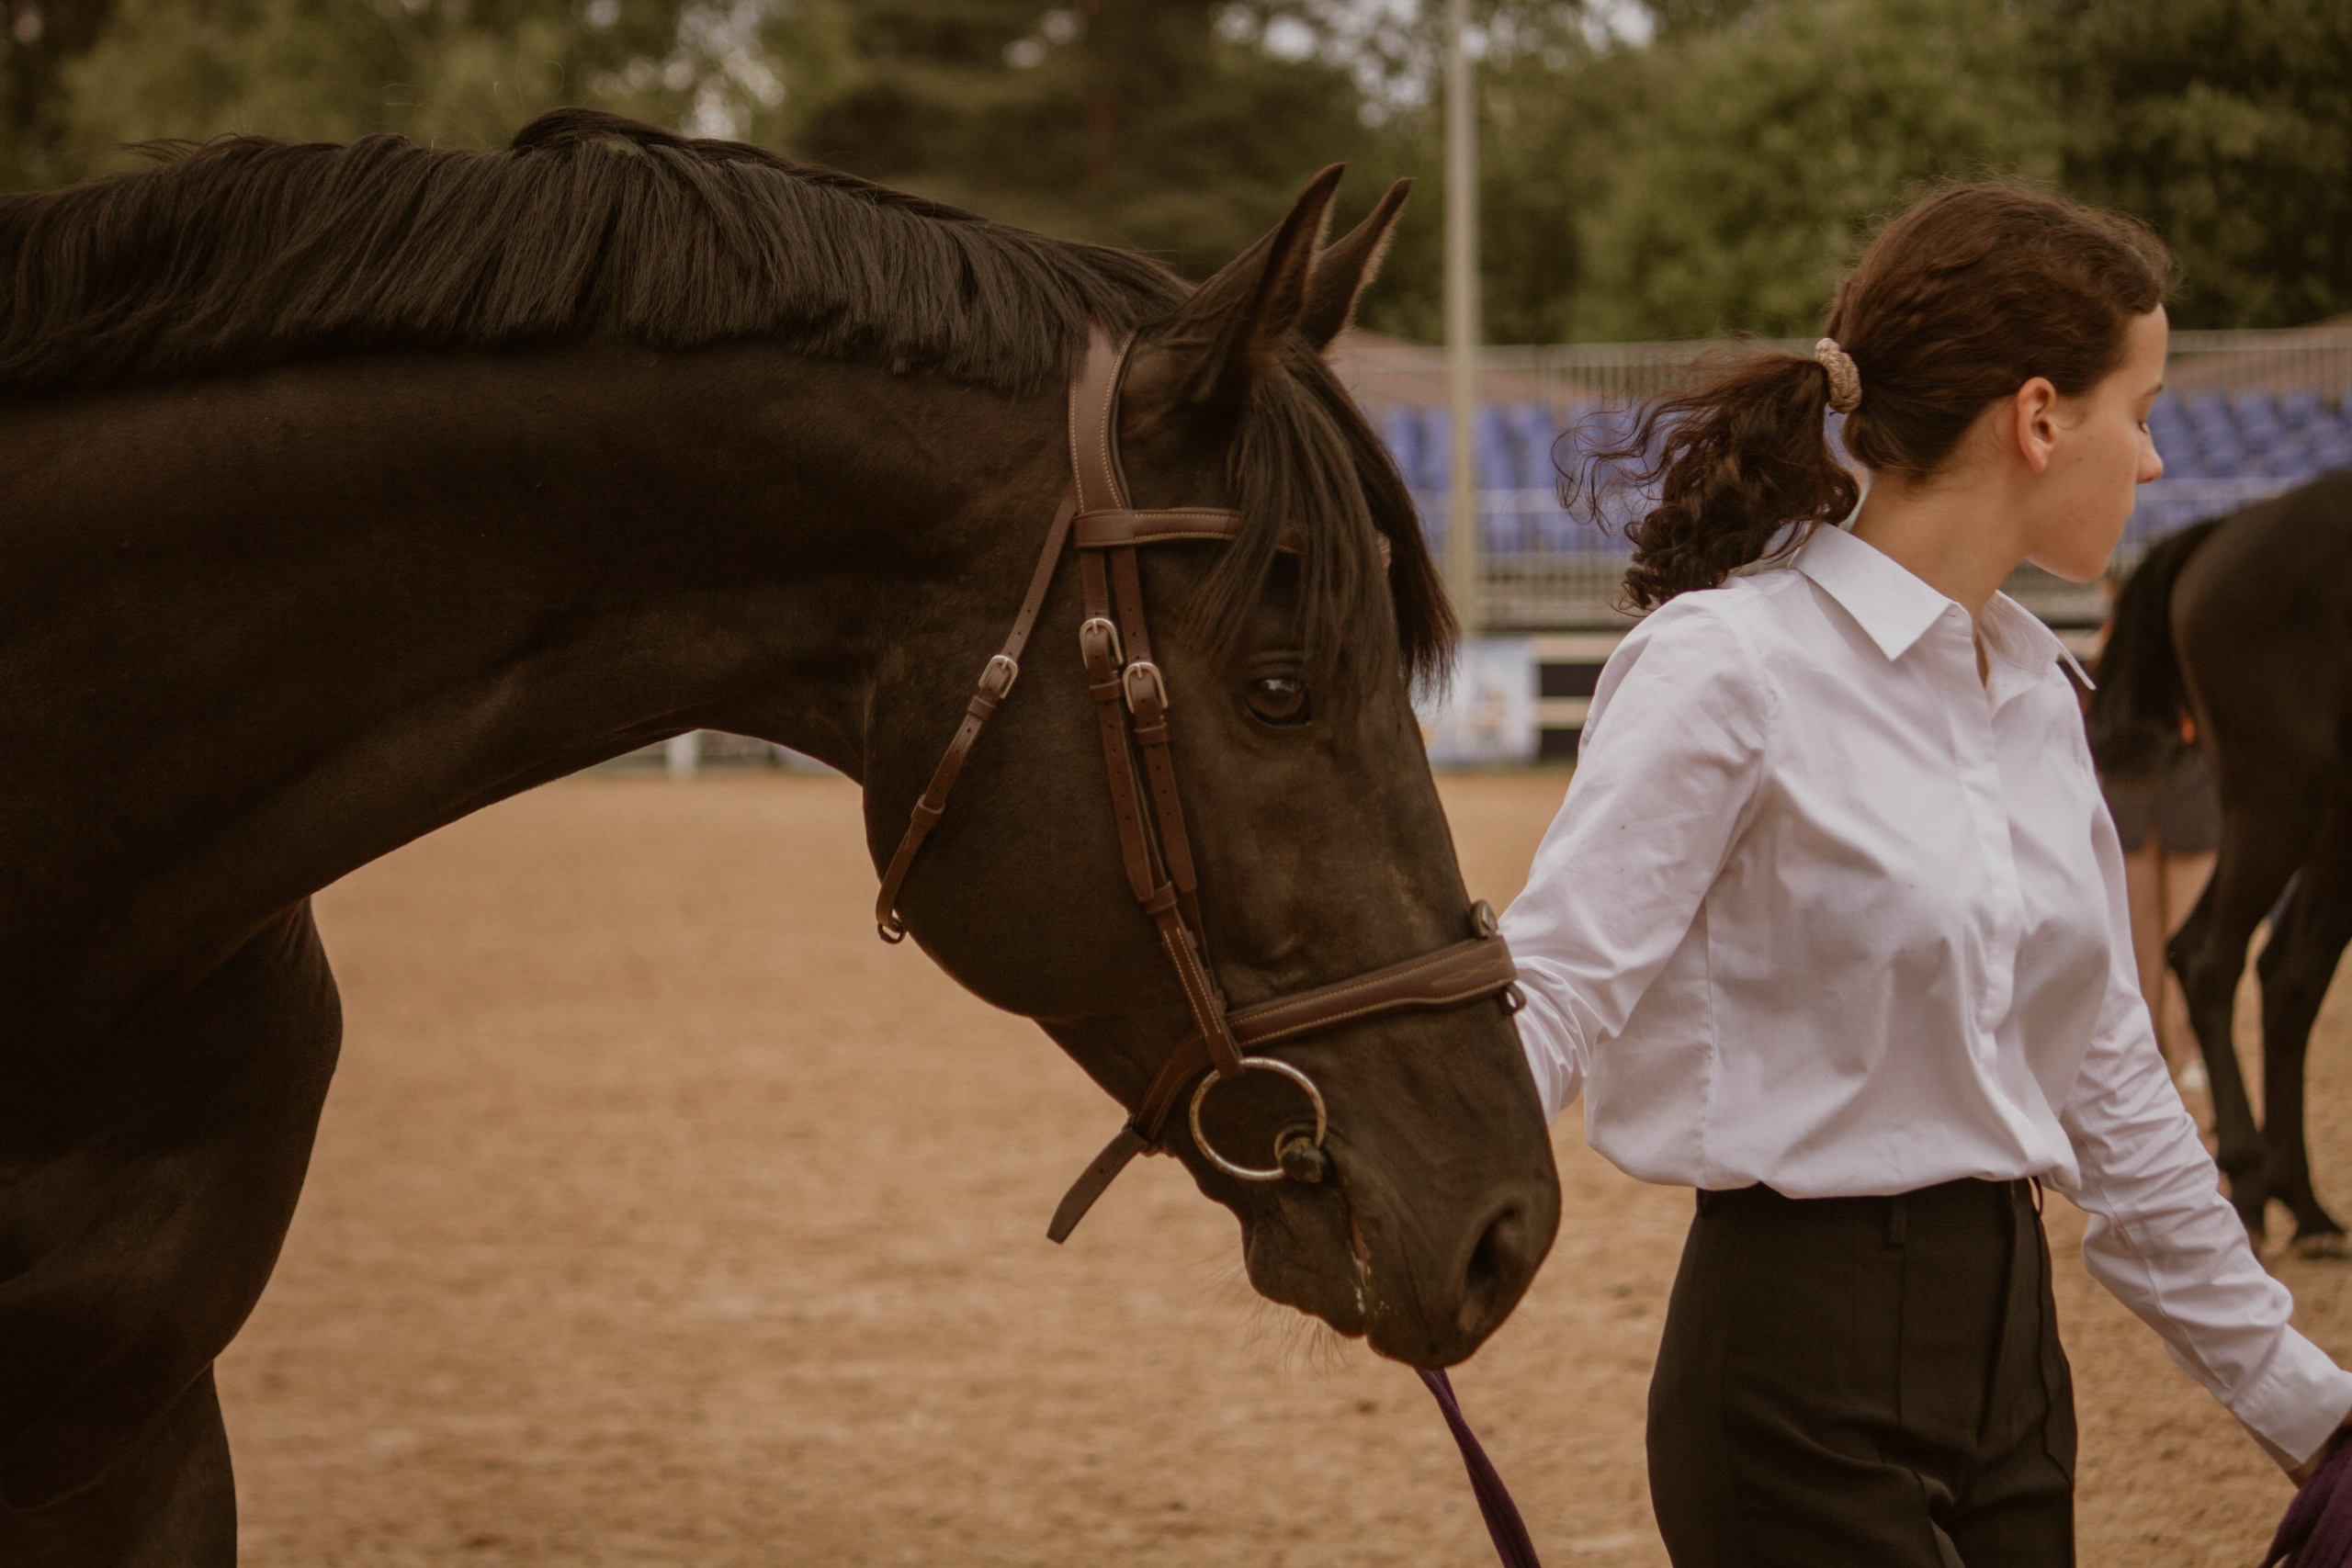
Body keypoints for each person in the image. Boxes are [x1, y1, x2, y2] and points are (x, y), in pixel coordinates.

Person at [1504, 184, 2352, 1566]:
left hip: (2016, 1377)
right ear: (2037, 418)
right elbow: (1557, 992)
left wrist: (2316, 1415)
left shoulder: (2033, 689)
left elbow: (2111, 1085)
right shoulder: (1728, 667)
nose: (2150, 463)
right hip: (1793, 1373)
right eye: (2139, 412)